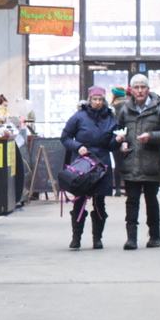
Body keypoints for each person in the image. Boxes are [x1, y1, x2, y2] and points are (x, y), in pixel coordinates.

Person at [113, 73, 160, 250]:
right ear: (131, 90)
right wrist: (122, 142)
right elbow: (119, 130)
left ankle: (155, 236)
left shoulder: (159, 109)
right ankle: (131, 238)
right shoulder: (125, 109)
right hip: (131, 162)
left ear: (148, 90)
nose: (140, 91)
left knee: (151, 200)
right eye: (136, 88)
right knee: (131, 200)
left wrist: (152, 136)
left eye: (143, 87)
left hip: (151, 162)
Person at [61, 87, 116, 250]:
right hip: (82, 164)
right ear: (89, 100)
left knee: (100, 202)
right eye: (94, 99)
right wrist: (78, 147)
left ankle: (97, 239)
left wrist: (118, 140)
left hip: (102, 164)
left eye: (100, 99)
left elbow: (111, 144)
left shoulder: (111, 118)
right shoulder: (78, 117)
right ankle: (76, 238)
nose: (97, 103)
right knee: (79, 201)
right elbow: (65, 137)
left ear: (104, 101)